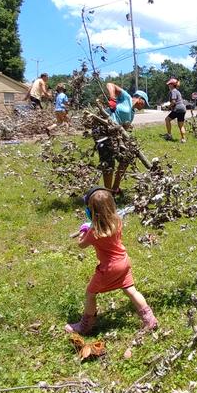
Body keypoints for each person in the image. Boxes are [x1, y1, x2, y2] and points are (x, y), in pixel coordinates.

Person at [65, 187, 158, 335]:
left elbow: (81, 245)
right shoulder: (117, 221)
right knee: (131, 290)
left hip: (109, 268)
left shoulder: (94, 232)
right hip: (124, 261)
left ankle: (85, 326)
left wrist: (83, 230)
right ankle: (150, 320)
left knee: (90, 294)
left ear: (90, 212)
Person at [95, 82, 149, 194]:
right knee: (108, 163)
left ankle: (115, 188)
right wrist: (113, 99)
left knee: (127, 157)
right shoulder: (126, 97)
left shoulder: (132, 114)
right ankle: (108, 193)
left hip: (115, 135)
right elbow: (110, 85)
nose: (144, 106)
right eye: (145, 103)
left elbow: (124, 129)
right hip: (103, 130)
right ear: (140, 99)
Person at [163, 77, 187, 143]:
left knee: (167, 119)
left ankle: (169, 135)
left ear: (172, 85)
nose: (168, 85)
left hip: (177, 108)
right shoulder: (177, 91)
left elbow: (173, 102)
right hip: (183, 109)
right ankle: (183, 139)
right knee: (181, 125)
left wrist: (168, 107)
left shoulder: (173, 91)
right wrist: (171, 107)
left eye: (169, 84)